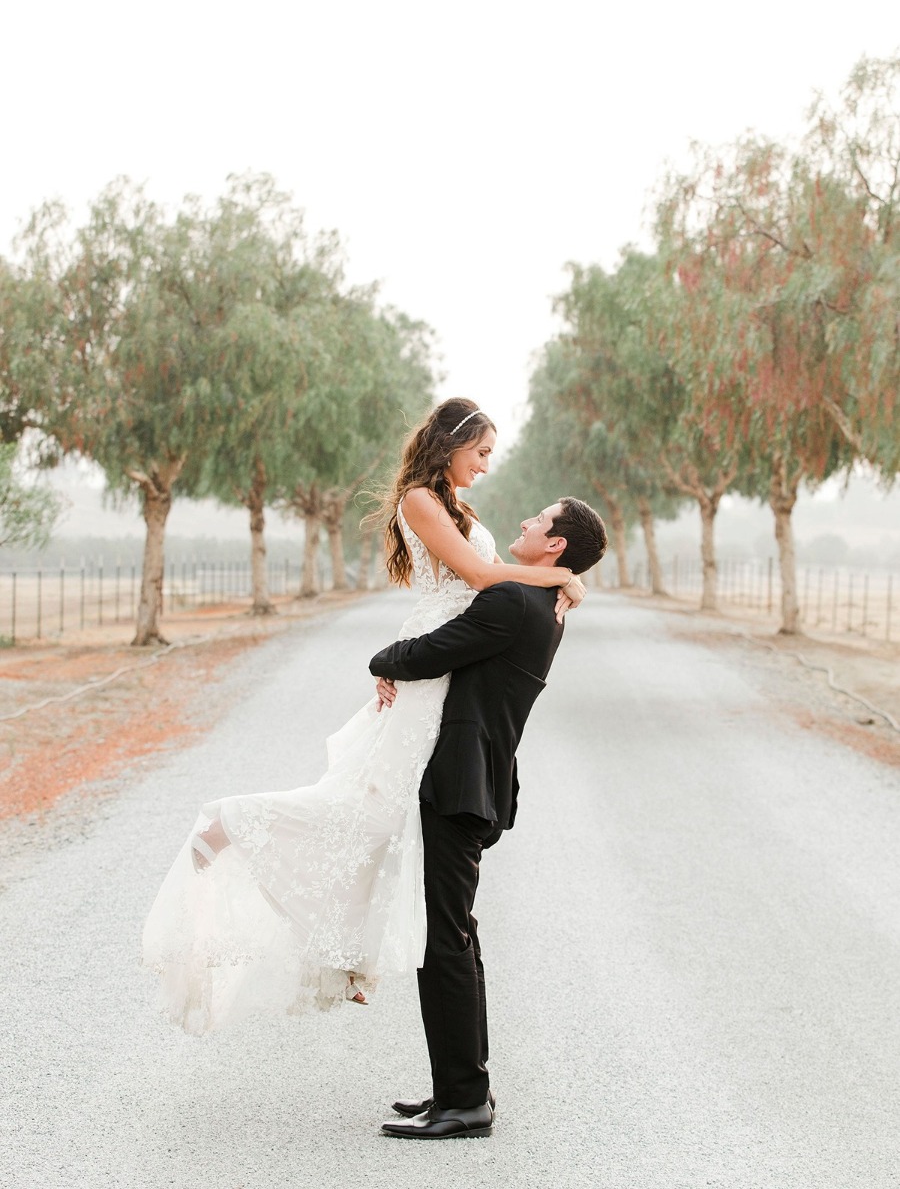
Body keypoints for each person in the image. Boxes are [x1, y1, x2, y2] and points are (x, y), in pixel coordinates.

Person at [141, 398, 584, 1035]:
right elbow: (483, 575)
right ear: (452, 444)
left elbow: (487, 580)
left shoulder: (457, 505)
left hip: (446, 664)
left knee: (393, 814)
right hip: (430, 660)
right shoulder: (419, 502)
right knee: (377, 809)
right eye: (482, 452)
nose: (488, 465)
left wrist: (561, 583)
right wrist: (562, 575)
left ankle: (347, 953)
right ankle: (234, 823)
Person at [369, 496, 607, 1140]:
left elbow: (430, 652)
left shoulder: (513, 602)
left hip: (459, 785)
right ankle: (460, 1088)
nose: (525, 522)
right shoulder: (546, 606)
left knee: (443, 939)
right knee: (454, 935)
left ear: (555, 546)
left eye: (539, 520)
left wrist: (381, 660)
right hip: (479, 783)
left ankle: (465, 1102)